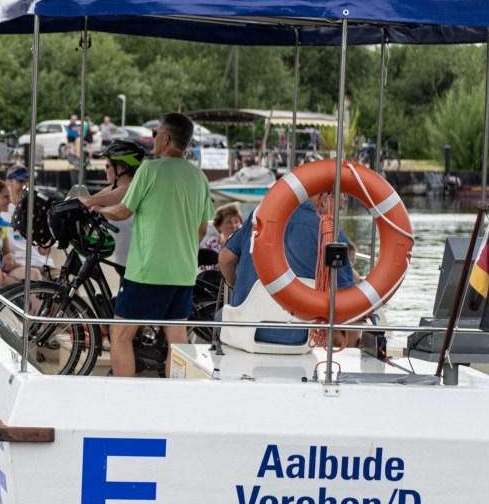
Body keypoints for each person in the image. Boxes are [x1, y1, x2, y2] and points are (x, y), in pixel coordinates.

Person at [98, 112, 213, 377]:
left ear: (167, 138)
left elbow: (122, 212)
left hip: (148, 271)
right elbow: (203, 228)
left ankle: (124, 400)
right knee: (177, 337)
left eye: (155, 134)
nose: (152, 140)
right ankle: (175, 397)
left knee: (120, 334)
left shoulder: (149, 170)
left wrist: (96, 210)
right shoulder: (199, 177)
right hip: (183, 273)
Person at [219, 198, 357, 347]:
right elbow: (347, 295)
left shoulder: (259, 215)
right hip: (302, 341)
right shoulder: (330, 231)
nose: (337, 216)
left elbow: (225, 260)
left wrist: (236, 285)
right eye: (339, 209)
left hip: (244, 336)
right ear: (325, 198)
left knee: (218, 315)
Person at [80, 139, 148, 274]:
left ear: (120, 168)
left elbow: (107, 198)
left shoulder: (132, 190)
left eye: (107, 166)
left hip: (136, 268)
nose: (105, 170)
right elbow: (102, 196)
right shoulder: (117, 189)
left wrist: (91, 203)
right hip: (127, 266)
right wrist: (85, 202)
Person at [203, 202, 243, 271]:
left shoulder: (245, 245)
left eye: (236, 222)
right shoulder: (212, 243)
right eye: (229, 222)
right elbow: (204, 270)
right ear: (218, 227)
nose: (234, 226)